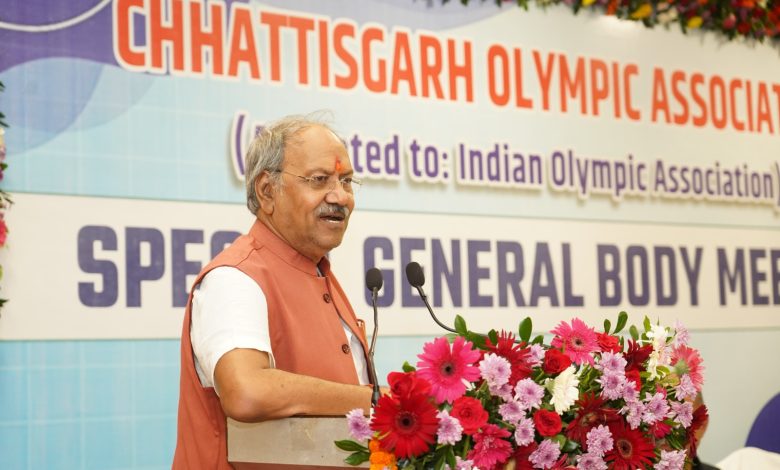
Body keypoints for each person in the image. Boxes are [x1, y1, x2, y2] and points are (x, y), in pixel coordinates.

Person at [173, 114, 374, 469]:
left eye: (346, 181)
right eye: (319, 180)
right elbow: (247, 391)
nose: (340, 196)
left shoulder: (320, 274)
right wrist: (374, 401)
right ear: (267, 191)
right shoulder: (235, 277)